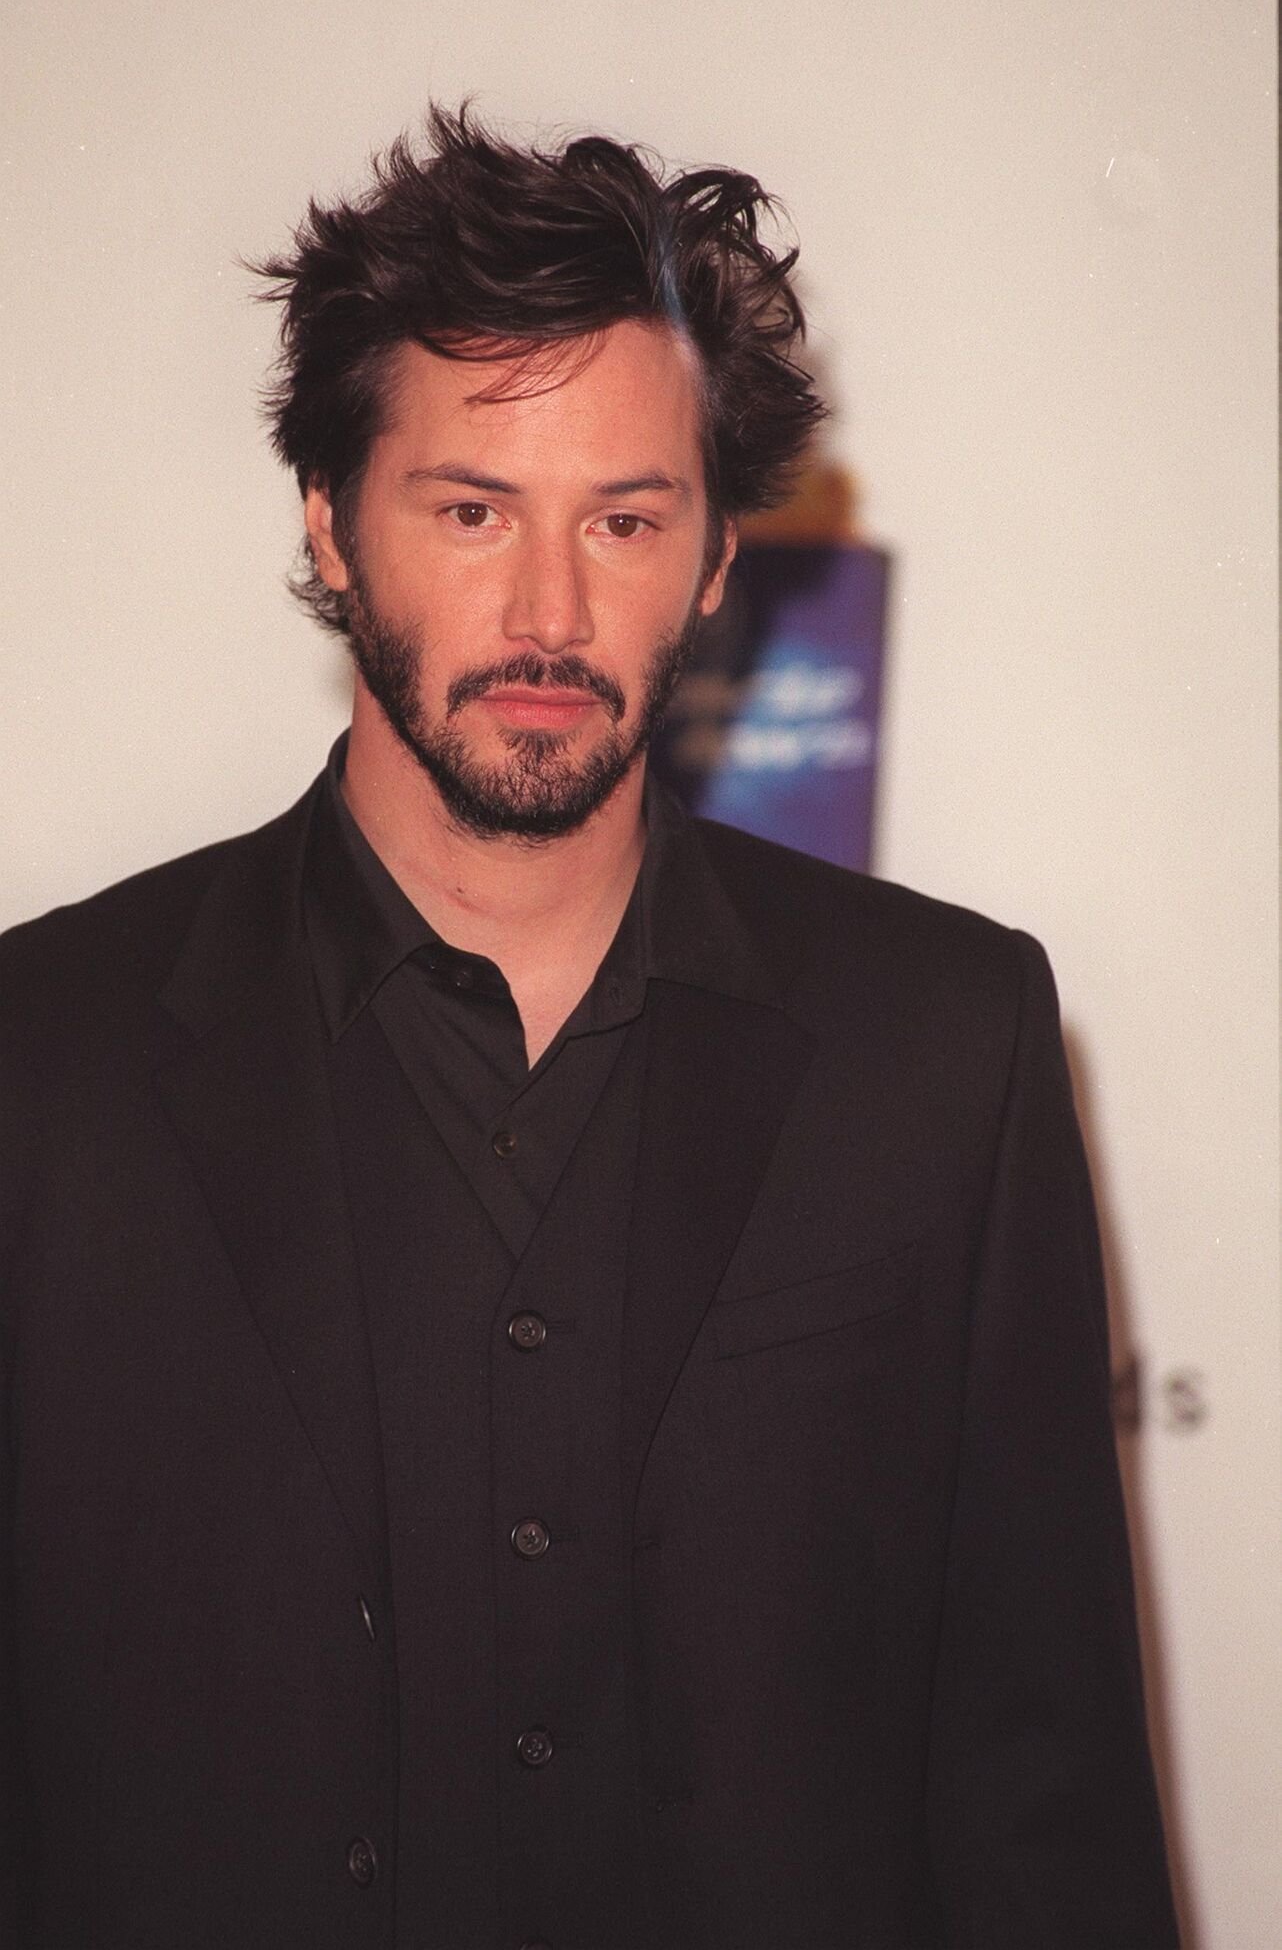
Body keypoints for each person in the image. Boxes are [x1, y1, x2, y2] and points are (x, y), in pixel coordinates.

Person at [0, 104, 1178, 1949]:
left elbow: (1045, 1800)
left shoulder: (945, 1045)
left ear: (715, 557)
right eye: (471, 510)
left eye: (624, 520)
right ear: (327, 521)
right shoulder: (40, 1063)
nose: (549, 610)